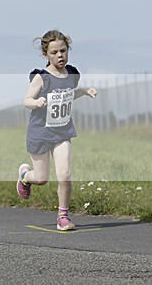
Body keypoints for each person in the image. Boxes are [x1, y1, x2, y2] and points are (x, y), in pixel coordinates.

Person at [16, 30, 98, 231]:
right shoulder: (41, 77)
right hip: (40, 133)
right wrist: (36, 102)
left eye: (63, 51)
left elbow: (69, 94)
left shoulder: (72, 74)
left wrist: (85, 91)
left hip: (62, 132)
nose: (60, 55)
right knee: (42, 179)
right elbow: (26, 101)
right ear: (46, 54)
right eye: (54, 52)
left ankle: (63, 216)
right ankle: (25, 176)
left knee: (65, 174)